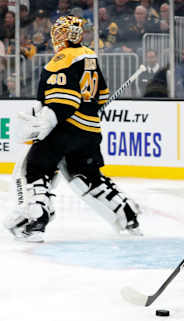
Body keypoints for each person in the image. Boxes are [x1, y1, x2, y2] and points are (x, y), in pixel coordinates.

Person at [3, 15, 142, 242]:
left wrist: (45, 121)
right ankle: (128, 215)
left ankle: (36, 222)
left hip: (63, 129)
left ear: (65, 35)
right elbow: (102, 95)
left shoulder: (61, 59)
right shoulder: (90, 56)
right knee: (88, 177)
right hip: (89, 131)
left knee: (36, 169)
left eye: (59, 32)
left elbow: (62, 101)